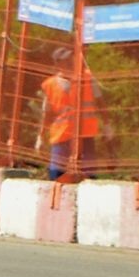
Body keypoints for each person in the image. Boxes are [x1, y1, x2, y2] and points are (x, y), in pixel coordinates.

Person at [38, 45, 102, 179]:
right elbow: (46, 114)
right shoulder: (50, 85)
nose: (70, 62)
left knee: (89, 175)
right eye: (65, 60)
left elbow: (101, 104)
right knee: (57, 174)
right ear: (58, 63)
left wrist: (107, 127)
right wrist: (40, 136)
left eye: (70, 58)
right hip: (62, 135)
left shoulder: (87, 78)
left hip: (85, 134)